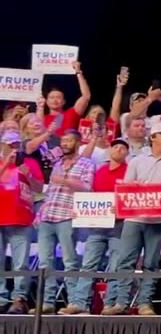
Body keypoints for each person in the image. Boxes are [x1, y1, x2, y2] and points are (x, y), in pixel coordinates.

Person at [106, 121, 161, 316]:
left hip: (160, 220)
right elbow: (127, 187)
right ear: (152, 137)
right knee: (125, 261)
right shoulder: (137, 161)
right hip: (135, 219)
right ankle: (121, 302)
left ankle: (145, 303)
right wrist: (131, 192)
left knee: (151, 263)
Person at [35, 129, 96, 314]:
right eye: (63, 141)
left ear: (77, 143)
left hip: (67, 216)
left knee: (70, 261)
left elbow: (87, 187)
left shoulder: (86, 163)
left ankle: (73, 302)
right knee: (45, 262)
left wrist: (65, 180)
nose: (64, 144)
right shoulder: (58, 163)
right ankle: (47, 302)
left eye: (68, 141)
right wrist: (41, 211)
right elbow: (51, 190)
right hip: (48, 216)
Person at [77, 138, 130, 315]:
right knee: (88, 264)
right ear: (109, 151)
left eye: (123, 148)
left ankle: (110, 304)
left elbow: (134, 197)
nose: (119, 150)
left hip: (120, 224)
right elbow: (91, 194)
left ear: (127, 153)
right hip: (98, 224)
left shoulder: (130, 172)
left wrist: (122, 208)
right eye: (115, 147)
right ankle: (81, 303)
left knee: (115, 265)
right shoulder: (99, 171)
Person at [0, 130, 43, 314]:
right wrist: (4, 166)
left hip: (21, 217)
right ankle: (1, 297)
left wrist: (29, 175)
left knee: (21, 263)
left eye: (17, 144)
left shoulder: (29, 163)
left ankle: (19, 298)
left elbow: (40, 188)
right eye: (10, 144)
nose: (14, 148)